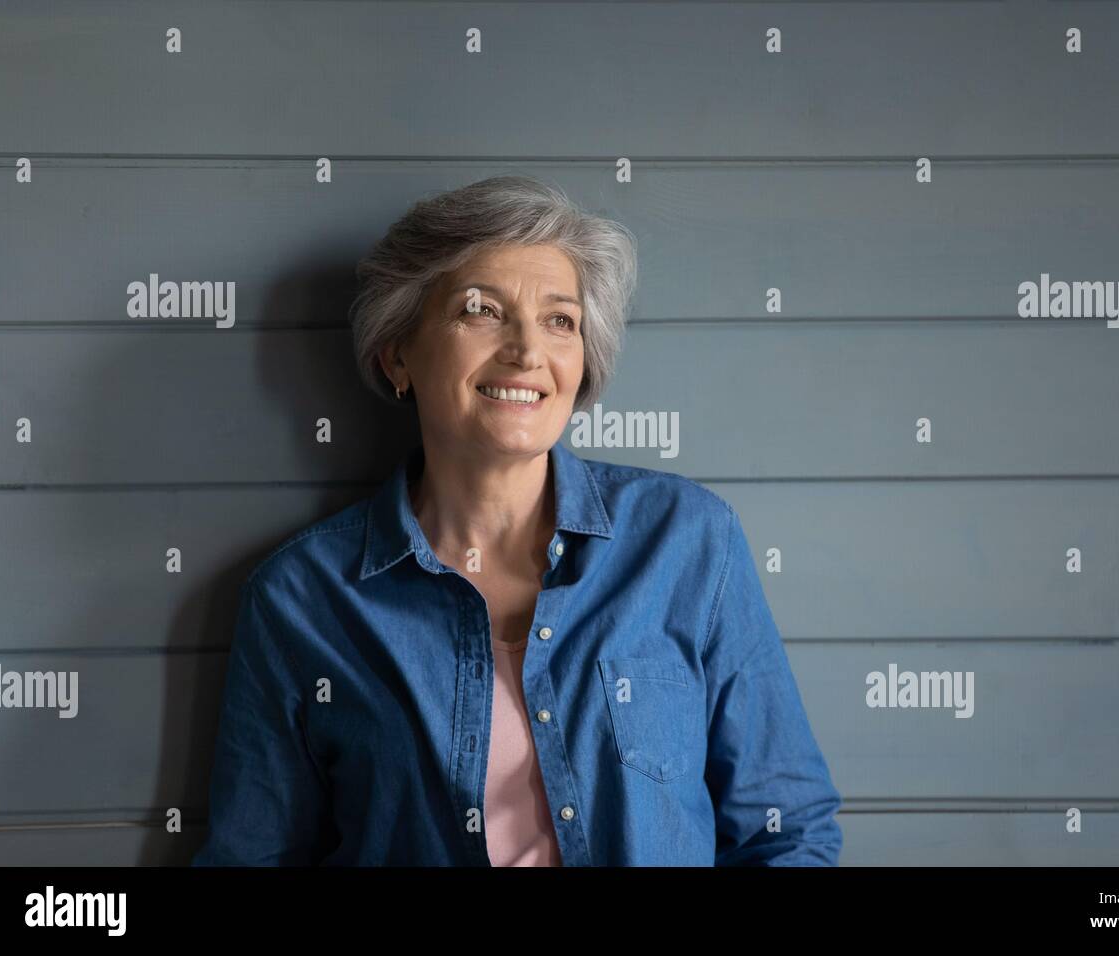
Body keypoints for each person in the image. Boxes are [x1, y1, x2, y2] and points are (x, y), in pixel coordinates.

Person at [192, 175, 842, 865]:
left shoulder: (689, 543)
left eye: (560, 320)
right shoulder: (301, 599)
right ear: (398, 354)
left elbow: (787, 831)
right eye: (482, 311)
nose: (528, 351)